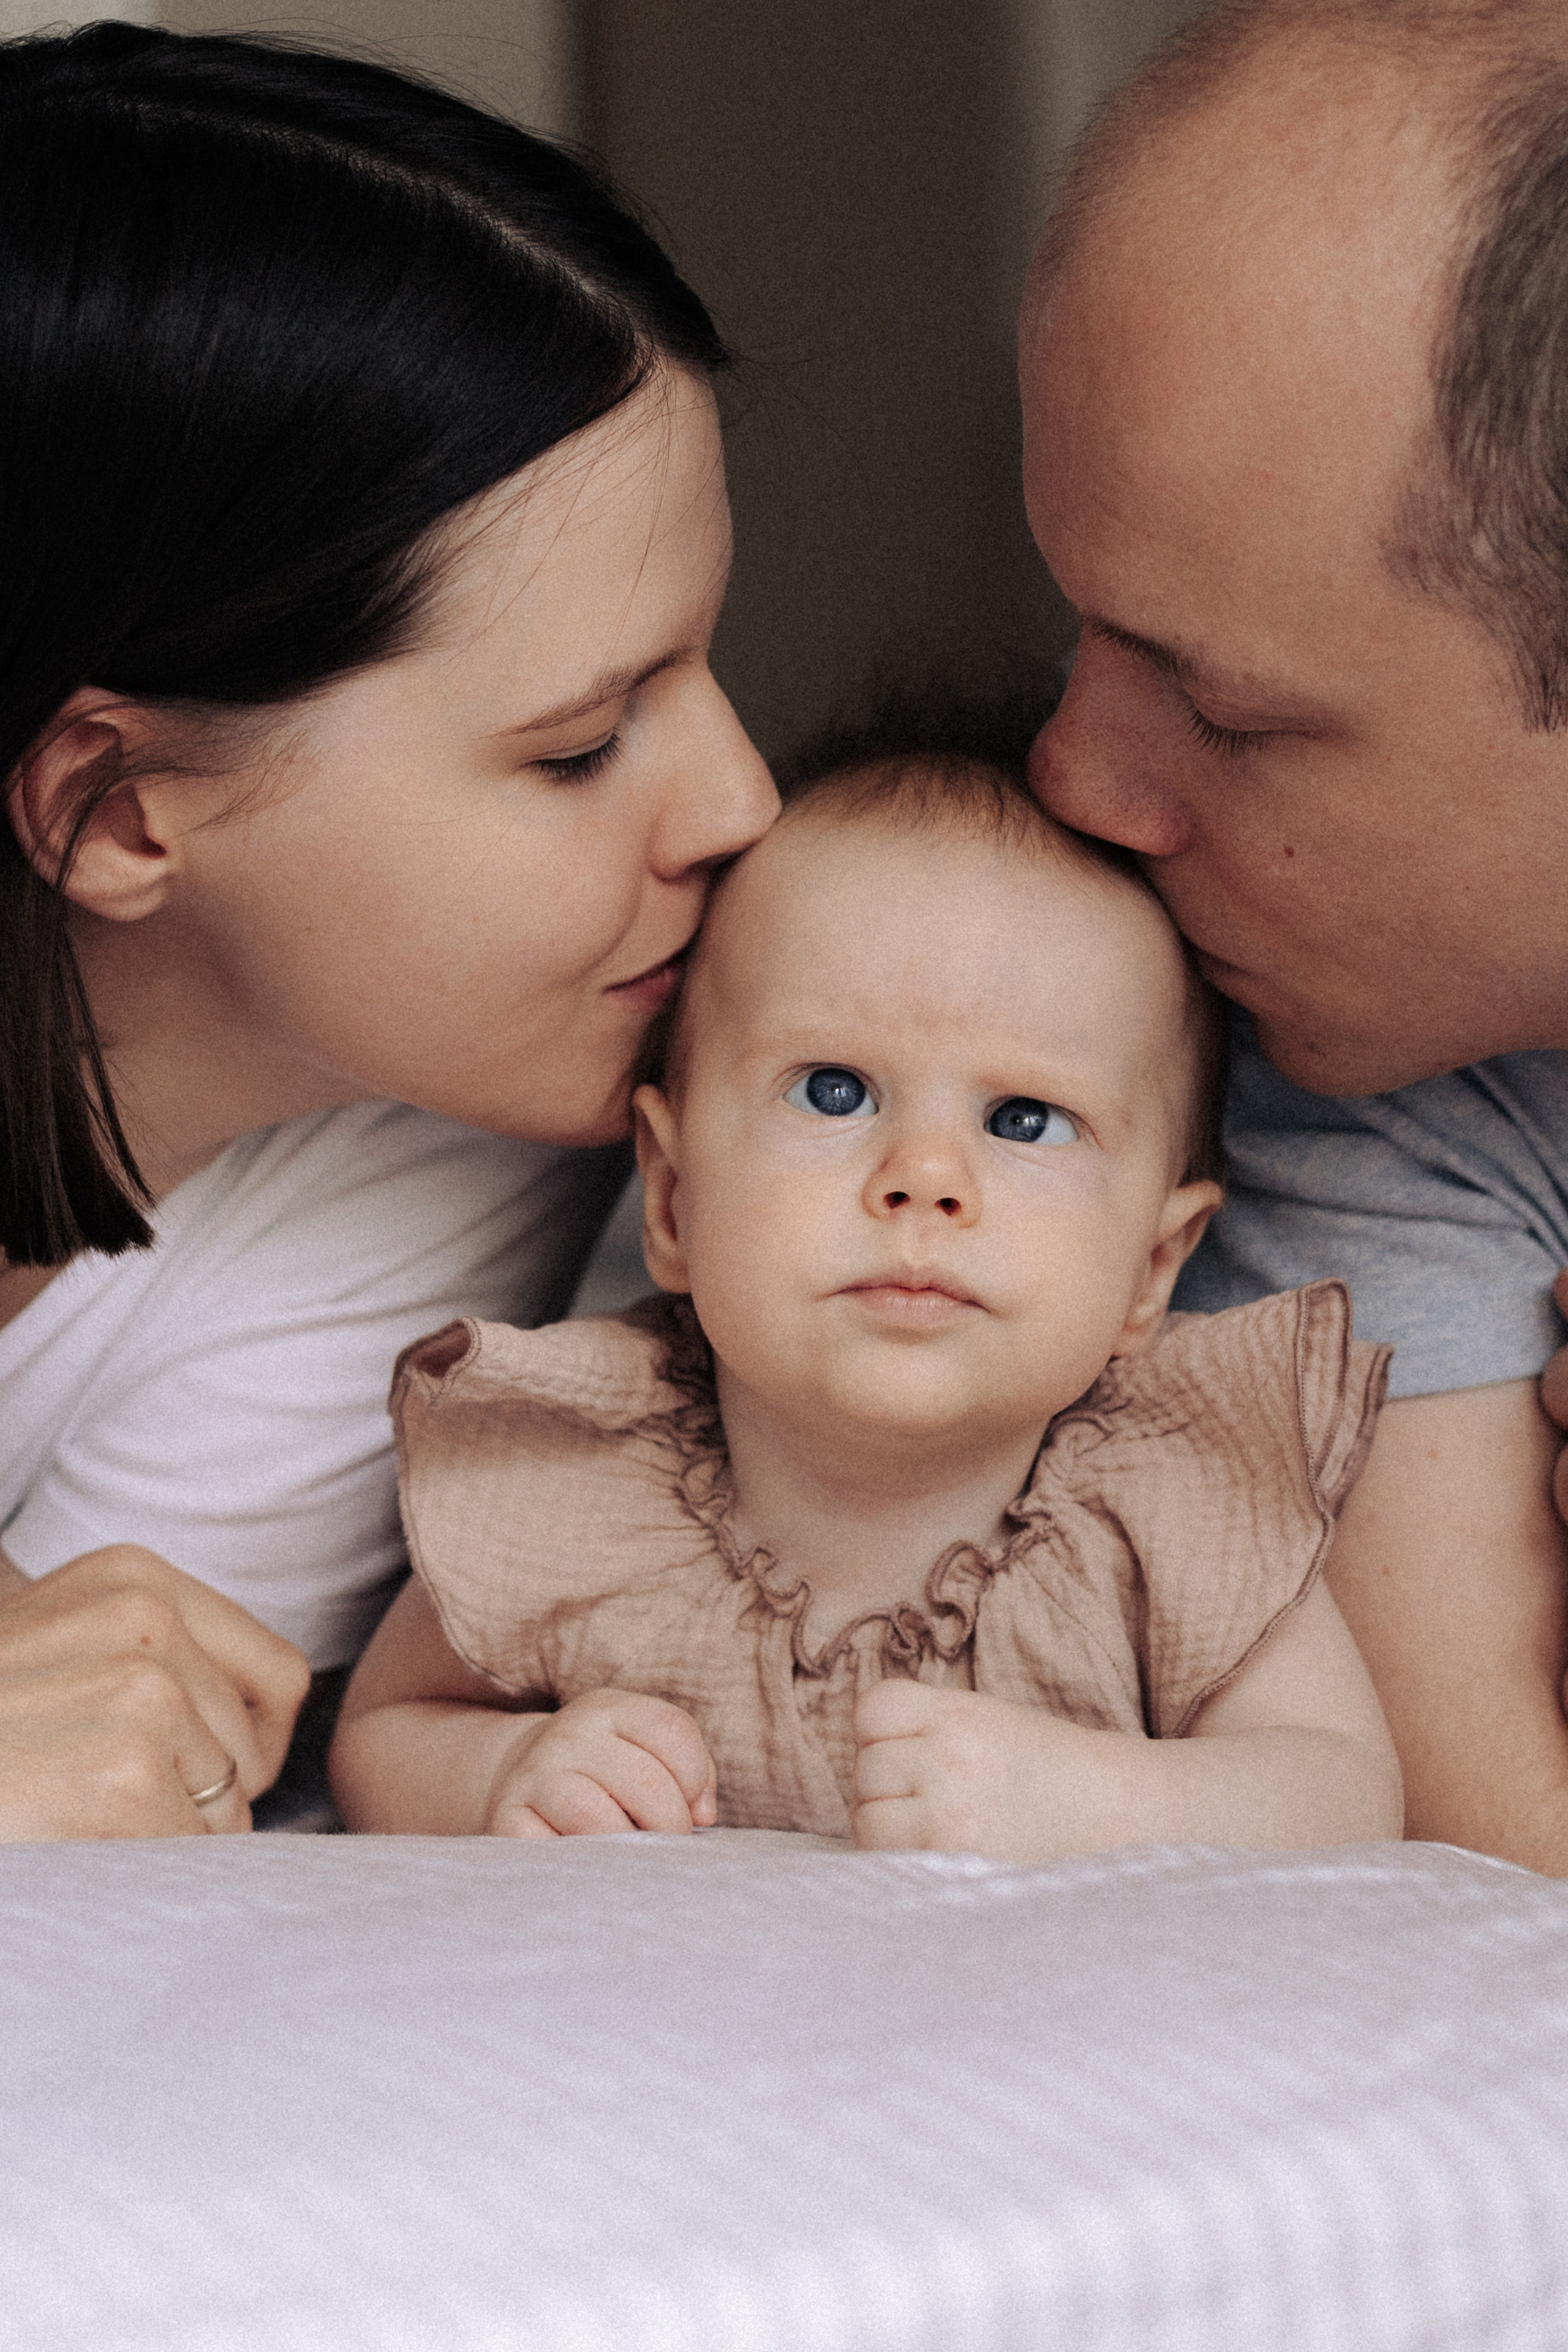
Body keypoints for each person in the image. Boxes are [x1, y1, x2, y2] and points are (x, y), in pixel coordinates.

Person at [0, 24, 776, 1839]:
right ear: (116, 814)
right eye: (582, 743)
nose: (745, 799)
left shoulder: (443, 1134)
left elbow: (102, 1772)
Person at [330, 723, 1402, 1856]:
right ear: (670, 1198)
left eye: (1023, 1120)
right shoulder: (581, 1480)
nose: (924, 1180)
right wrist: (507, 1768)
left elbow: (1342, 1793)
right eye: (834, 1091)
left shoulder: (1170, 1504)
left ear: (1152, 1268)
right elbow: (382, 1731)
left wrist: (1102, 1803)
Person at [1020, 0, 1568, 1871]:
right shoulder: (1389, 1062)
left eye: (1229, 715)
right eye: (1074, 626)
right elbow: (1493, 1862)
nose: (1069, 776)